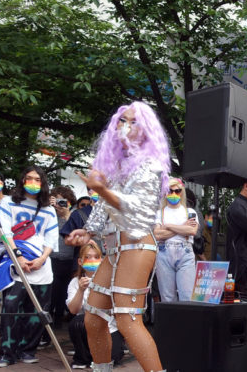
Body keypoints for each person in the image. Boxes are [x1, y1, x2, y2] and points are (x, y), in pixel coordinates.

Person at [67, 100, 172, 372]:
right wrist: (87, 230)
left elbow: (137, 211)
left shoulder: (151, 165)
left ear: (147, 129)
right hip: (115, 251)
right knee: (93, 317)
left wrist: (101, 189)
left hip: (137, 247)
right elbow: (105, 206)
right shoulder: (119, 165)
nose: (126, 127)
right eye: (122, 121)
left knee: (127, 320)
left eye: (134, 121)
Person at [0, 166, 58, 367]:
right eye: (29, 178)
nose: (33, 183)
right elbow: (4, 231)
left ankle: (28, 350)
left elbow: (51, 239)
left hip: (41, 266)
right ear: (22, 181)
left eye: (37, 179)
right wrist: (17, 256)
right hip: (15, 263)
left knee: (38, 310)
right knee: (11, 306)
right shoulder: (8, 202)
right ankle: (7, 352)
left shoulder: (49, 209)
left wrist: (42, 259)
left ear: (43, 183)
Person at [66, 243, 125, 369]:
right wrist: (81, 291)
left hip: (109, 329)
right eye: (88, 257)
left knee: (111, 356)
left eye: (96, 257)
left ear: (102, 260)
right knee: (76, 322)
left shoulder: (112, 280)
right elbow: (73, 310)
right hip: (87, 327)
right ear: (80, 261)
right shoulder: (75, 282)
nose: (92, 260)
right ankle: (83, 358)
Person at [153, 178, 198, 302]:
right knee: (167, 298)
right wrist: (183, 226)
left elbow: (192, 231)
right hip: (163, 253)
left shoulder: (190, 212)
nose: (174, 194)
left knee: (188, 297)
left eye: (177, 191)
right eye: (170, 191)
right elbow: (157, 235)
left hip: (185, 253)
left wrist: (168, 226)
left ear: (181, 192)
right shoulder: (159, 213)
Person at [49, 186, 78, 330]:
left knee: (67, 292)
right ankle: (51, 323)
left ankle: (61, 319)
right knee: (53, 294)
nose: (59, 203)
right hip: (52, 259)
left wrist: (66, 214)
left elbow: (77, 234)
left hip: (70, 260)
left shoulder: (75, 215)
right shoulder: (49, 214)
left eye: (63, 200)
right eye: (57, 199)